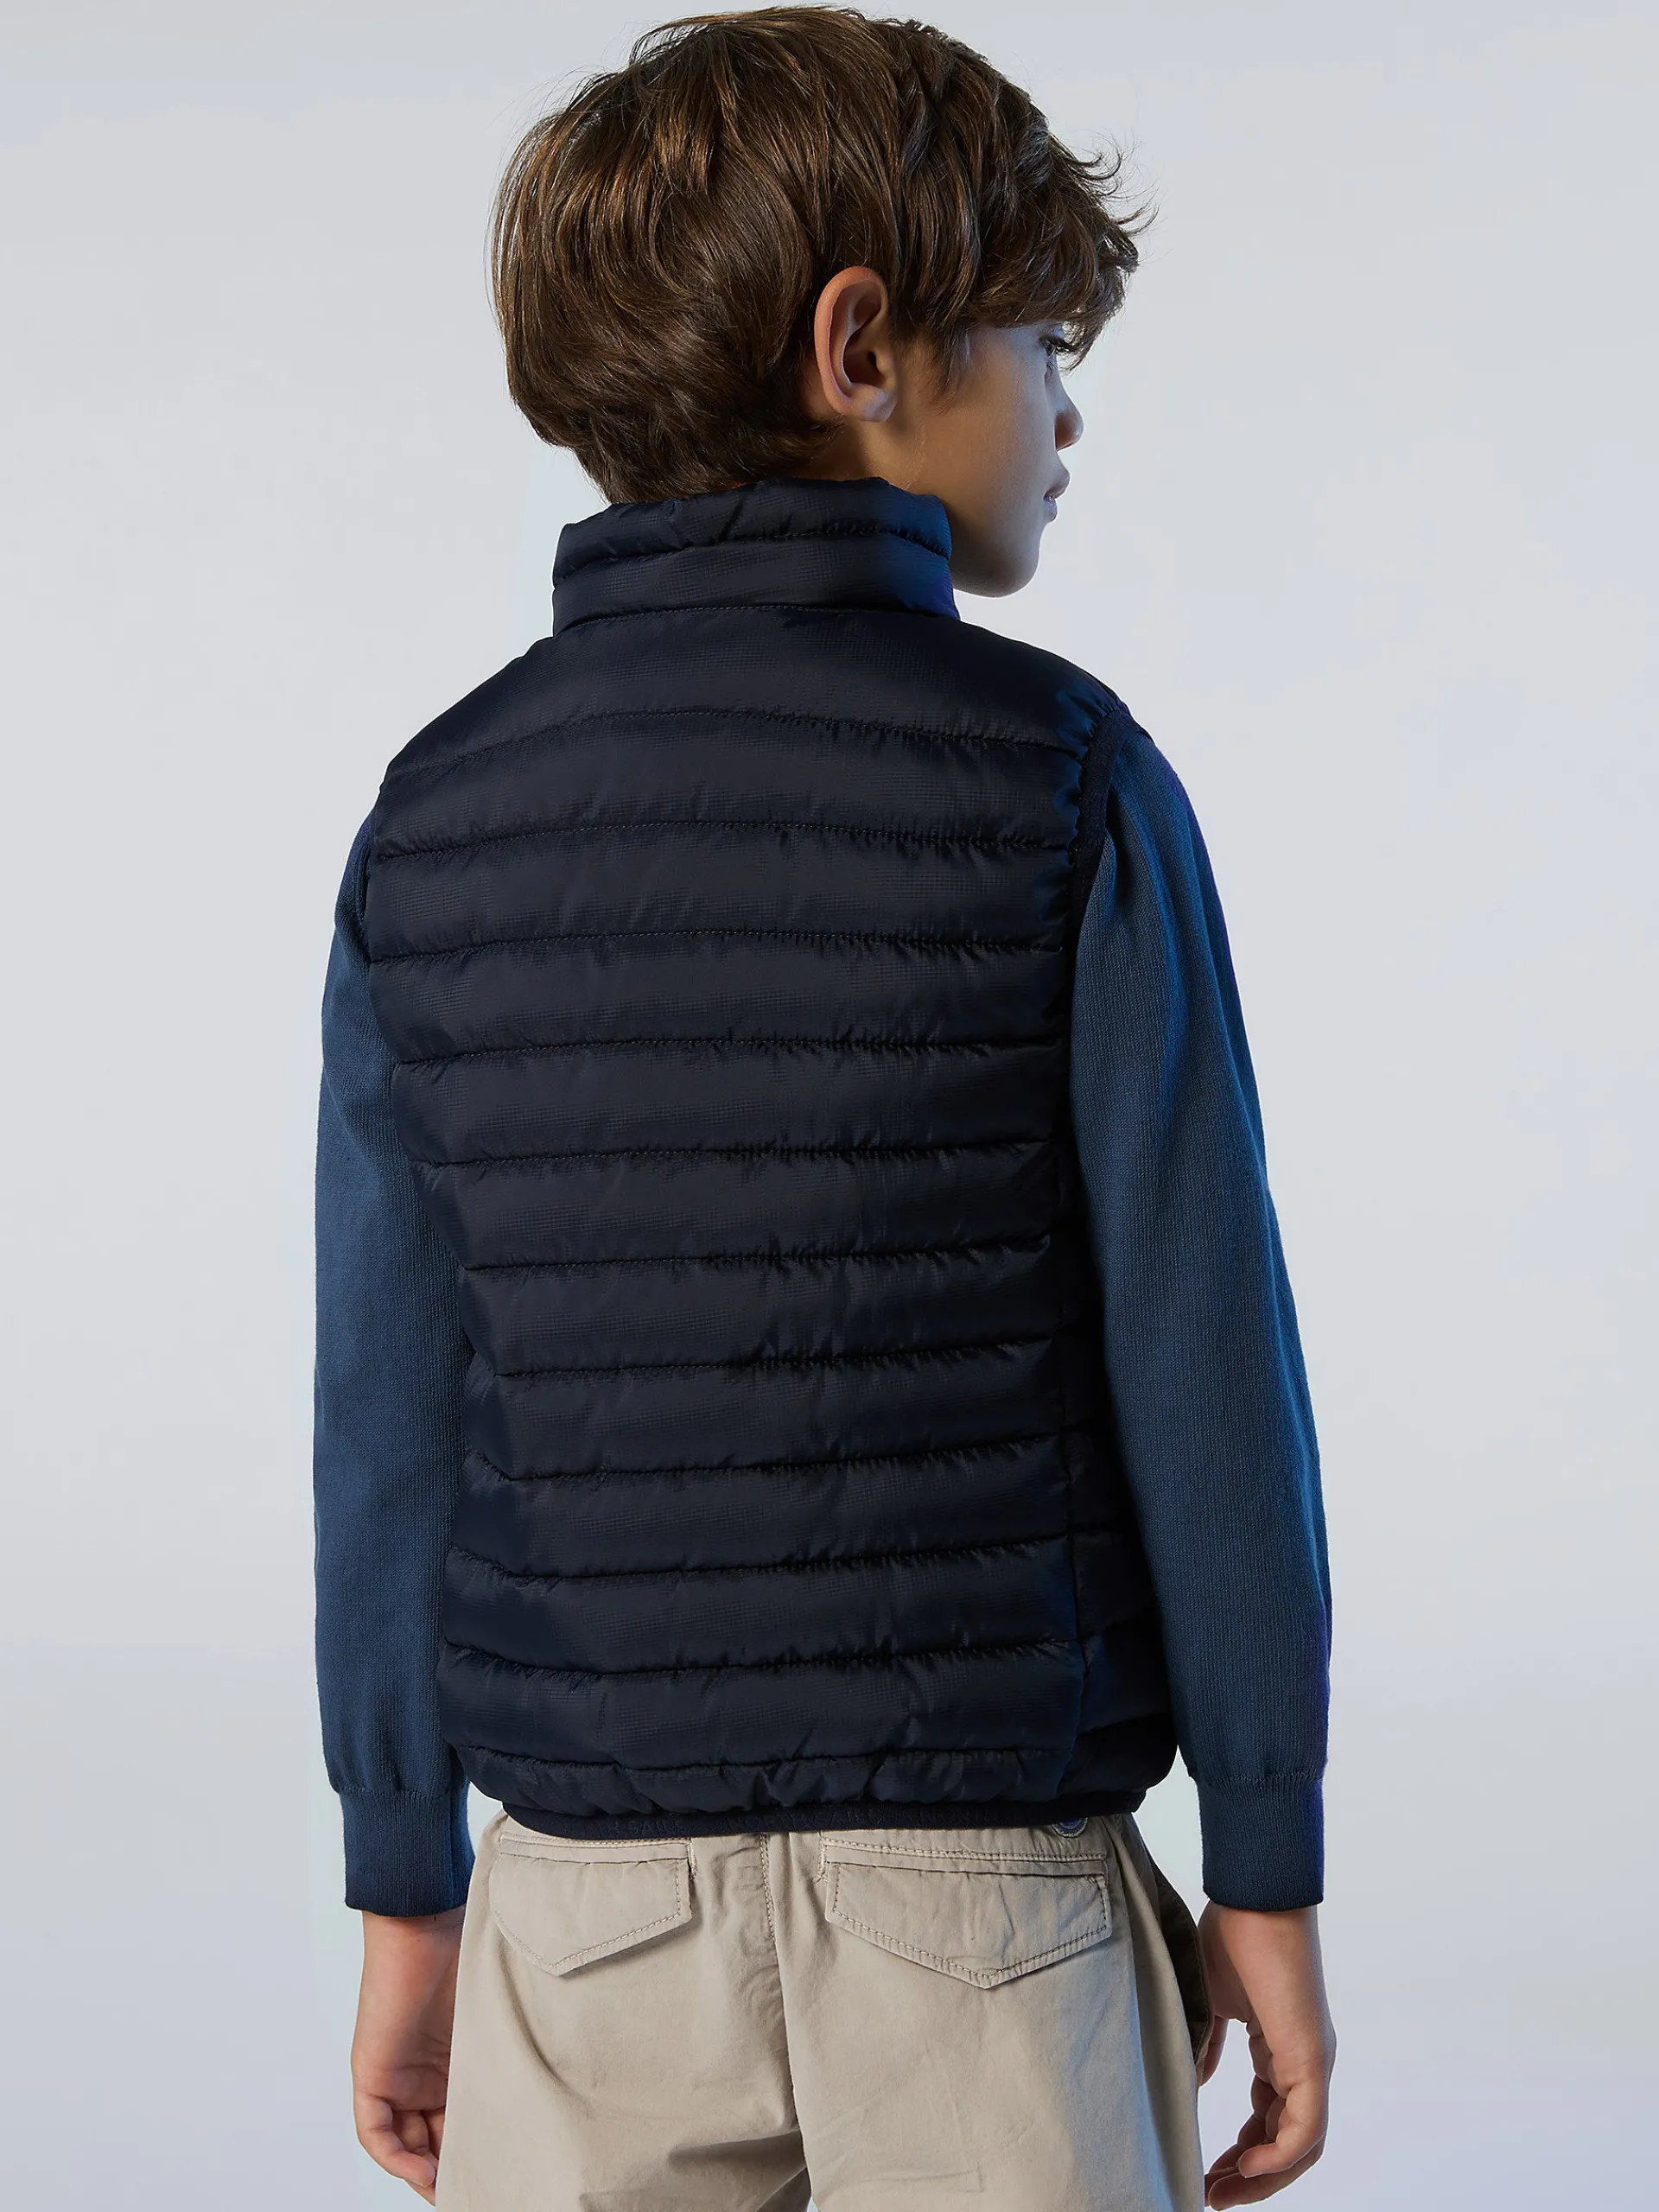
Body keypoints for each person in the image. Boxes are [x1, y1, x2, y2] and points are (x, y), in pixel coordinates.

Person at [313, 11, 1335, 2209]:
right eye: (1044, 339)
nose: (1071, 411)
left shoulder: (434, 822)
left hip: (582, 1913)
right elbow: (1204, 1355)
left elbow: (389, 1406)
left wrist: (405, 1880)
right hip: (993, 1910)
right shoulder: (1064, 775)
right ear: (862, 346)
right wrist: (1266, 1844)